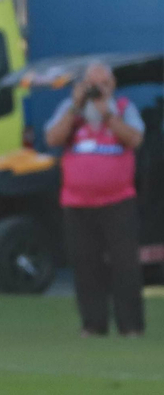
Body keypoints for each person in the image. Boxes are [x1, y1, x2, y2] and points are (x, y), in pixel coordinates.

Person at [45, 61, 147, 337]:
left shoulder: (124, 109)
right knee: (85, 264)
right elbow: (53, 138)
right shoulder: (70, 111)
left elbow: (136, 139)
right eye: (93, 84)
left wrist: (109, 117)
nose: (98, 90)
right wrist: (75, 107)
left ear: (112, 85)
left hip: (118, 200)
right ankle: (93, 324)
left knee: (125, 265)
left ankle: (131, 326)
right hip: (77, 202)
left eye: (104, 84)